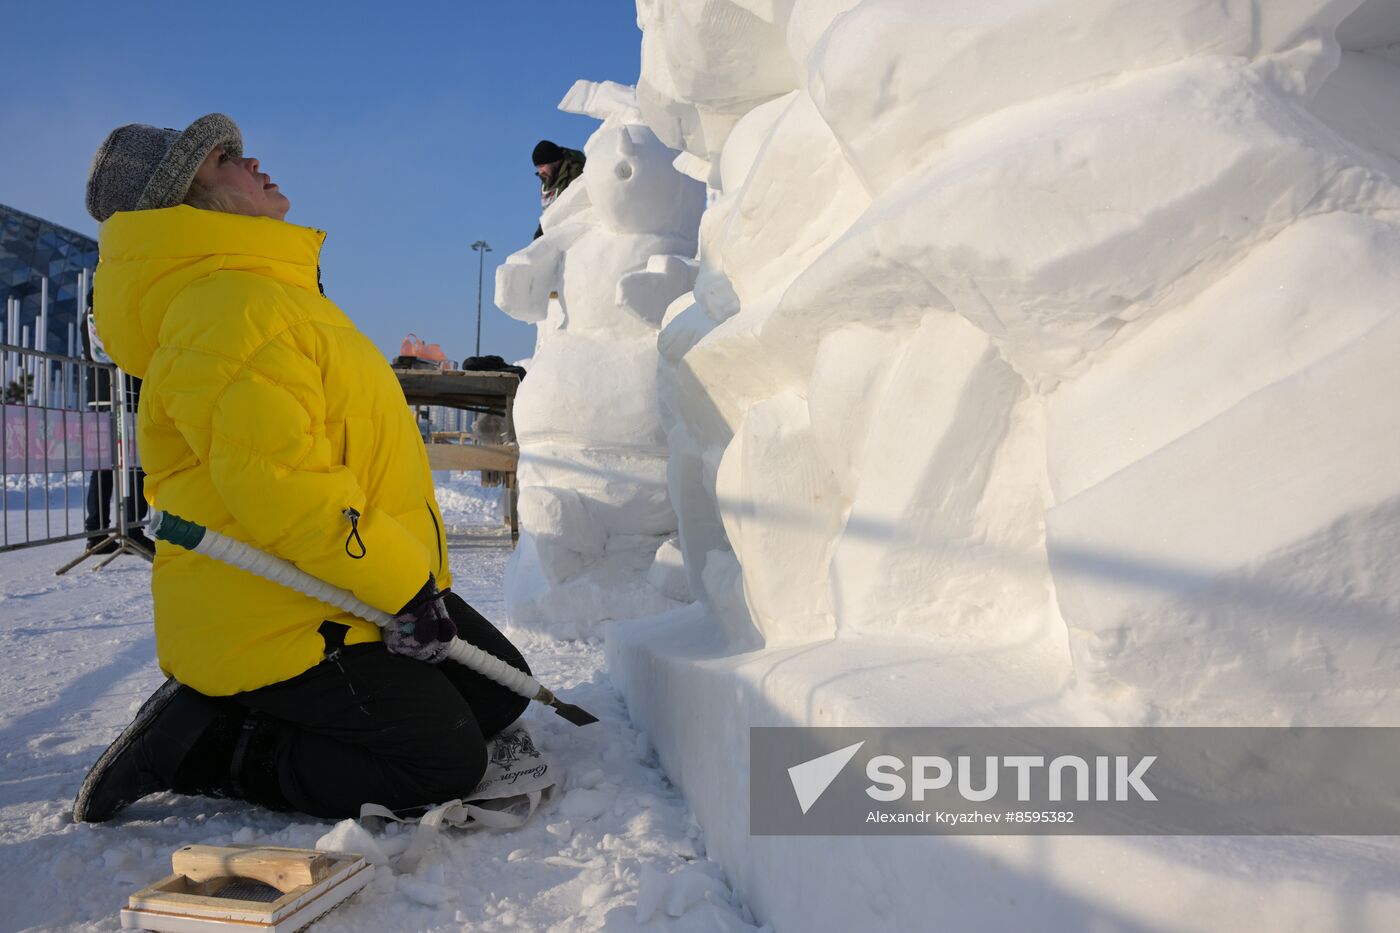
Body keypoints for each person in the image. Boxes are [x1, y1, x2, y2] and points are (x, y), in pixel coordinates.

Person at [74, 113, 533, 822]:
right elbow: (287, 491)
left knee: (504, 693)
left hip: (339, 583)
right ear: (188, 202)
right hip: (275, 607)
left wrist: (407, 584)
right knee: (442, 761)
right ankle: (209, 737)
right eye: (226, 158)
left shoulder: (267, 292)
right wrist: (405, 588)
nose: (252, 160)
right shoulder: (223, 311)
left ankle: (284, 705)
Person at [81, 289, 153, 556]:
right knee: (133, 465)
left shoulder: (90, 315)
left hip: (101, 398)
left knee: (104, 467)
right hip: (125, 396)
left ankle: (97, 530)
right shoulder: (111, 316)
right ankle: (131, 528)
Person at [531, 139, 585, 240]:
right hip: (554, 232)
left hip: (574, 232)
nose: (540, 171)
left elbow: (570, 205)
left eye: (542, 166)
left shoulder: (574, 173)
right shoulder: (548, 179)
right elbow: (549, 209)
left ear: (554, 161)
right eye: (537, 167)